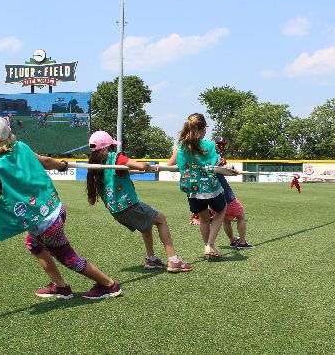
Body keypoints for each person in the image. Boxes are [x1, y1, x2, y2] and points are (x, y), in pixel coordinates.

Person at [0, 116, 121, 300]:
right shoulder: (22, 147)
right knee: (33, 243)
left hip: (45, 224)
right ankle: (60, 286)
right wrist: (62, 165)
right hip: (54, 208)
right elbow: (46, 161)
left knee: (68, 256)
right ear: (9, 134)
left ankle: (109, 285)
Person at [85, 130, 192, 273]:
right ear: (106, 147)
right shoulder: (115, 157)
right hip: (129, 205)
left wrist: (145, 171)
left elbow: (123, 171)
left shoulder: (97, 163)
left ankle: (151, 259)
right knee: (161, 219)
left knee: (146, 226)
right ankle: (173, 260)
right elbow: (141, 166)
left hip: (116, 210)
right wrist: (148, 167)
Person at [167, 113, 227, 258]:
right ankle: (210, 245)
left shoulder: (180, 146)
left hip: (192, 189)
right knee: (222, 209)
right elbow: (217, 163)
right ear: (202, 129)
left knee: (203, 217)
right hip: (210, 188)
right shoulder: (210, 145)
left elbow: (171, 163)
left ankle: (208, 246)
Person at [210, 136, 253, 249]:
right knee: (241, 216)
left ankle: (233, 241)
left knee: (226, 219)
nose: (221, 147)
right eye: (219, 144)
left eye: (222, 145)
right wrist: (232, 169)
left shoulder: (210, 155)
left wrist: (230, 169)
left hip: (214, 192)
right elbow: (218, 168)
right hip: (224, 192)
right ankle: (242, 242)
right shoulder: (213, 156)